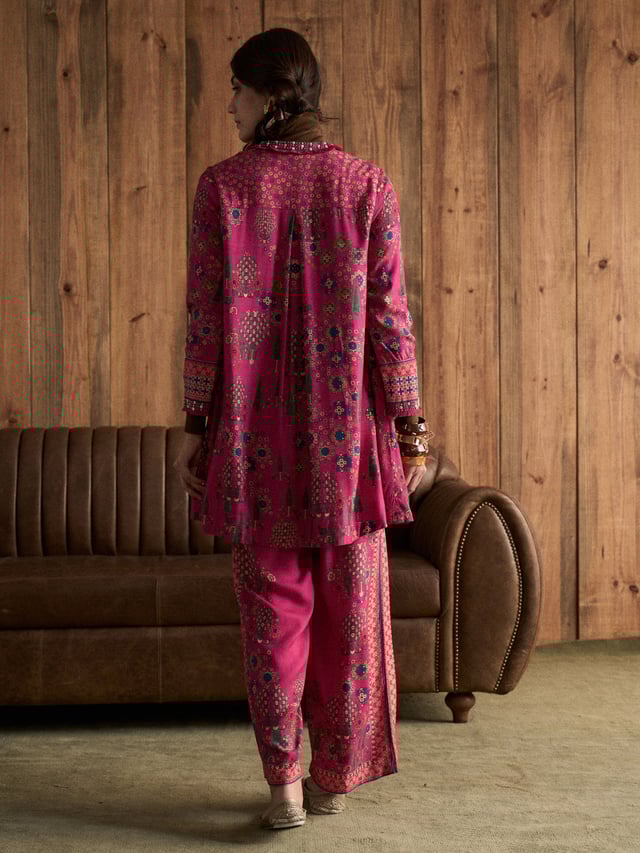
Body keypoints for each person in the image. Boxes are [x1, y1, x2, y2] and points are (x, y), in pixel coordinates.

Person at [173, 28, 433, 830]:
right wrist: (412, 430)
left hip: (254, 442)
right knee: (349, 619)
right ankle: (330, 777)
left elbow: (206, 320)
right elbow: (390, 319)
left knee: (272, 618)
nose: (230, 105)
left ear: (272, 95)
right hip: (347, 443)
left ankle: (283, 781)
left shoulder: (223, 188)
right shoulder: (366, 185)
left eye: (237, 91)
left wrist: (195, 424)